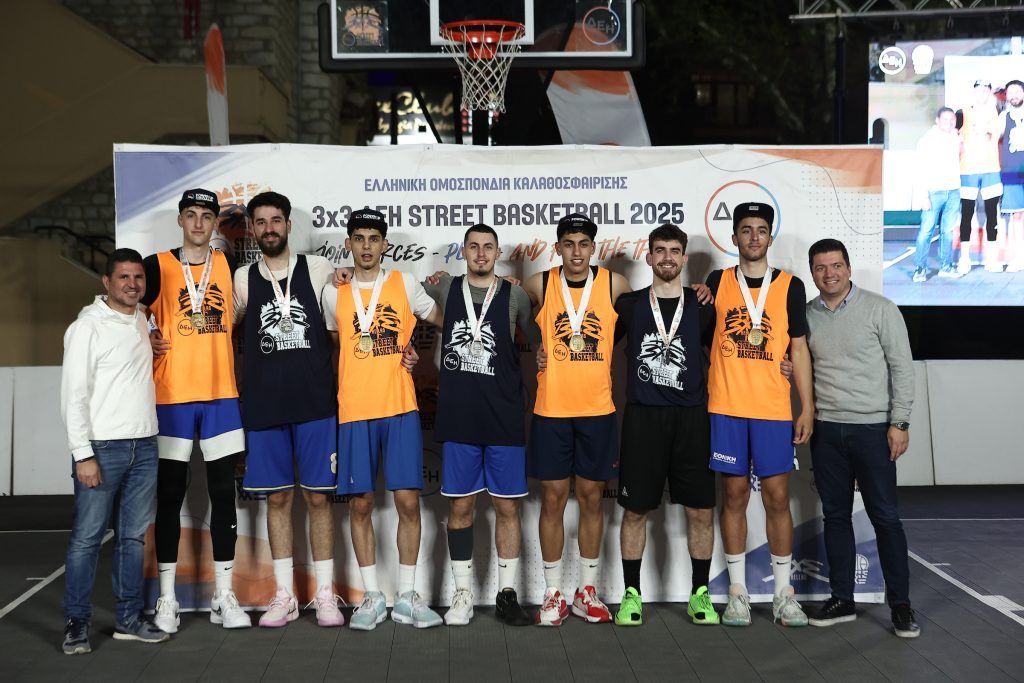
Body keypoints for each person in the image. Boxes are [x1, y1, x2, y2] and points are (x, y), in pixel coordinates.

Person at [321, 208, 446, 630]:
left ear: (385, 244)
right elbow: (337, 341)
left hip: (400, 407)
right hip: (354, 410)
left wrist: (421, 354)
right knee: (361, 504)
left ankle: (407, 595)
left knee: (408, 501)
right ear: (348, 244)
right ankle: (372, 596)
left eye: (374, 238)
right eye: (359, 238)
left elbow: (444, 319)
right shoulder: (332, 292)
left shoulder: (404, 283)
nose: (367, 246)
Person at [232, 192, 342, 628]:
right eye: (260, 222)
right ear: (252, 229)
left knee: (318, 499)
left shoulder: (318, 269)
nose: (269, 229)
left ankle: (325, 595)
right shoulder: (242, 278)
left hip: (315, 403)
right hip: (265, 406)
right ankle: (284, 595)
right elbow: (219, 330)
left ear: (289, 225)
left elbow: (347, 324)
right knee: (277, 499)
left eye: (275, 220)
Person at [143, 189, 251, 632]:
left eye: (207, 216)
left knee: (224, 494)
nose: (199, 223)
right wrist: (145, 335)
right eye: (191, 215)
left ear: (214, 223)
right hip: (171, 396)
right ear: (180, 220)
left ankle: (222, 596)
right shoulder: (155, 266)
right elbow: (124, 308)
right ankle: (167, 598)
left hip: (221, 394)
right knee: (170, 495)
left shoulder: (229, 266)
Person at [422, 224, 539, 627]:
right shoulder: (445, 287)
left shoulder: (514, 295)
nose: (481, 254)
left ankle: (507, 595)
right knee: (460, 506)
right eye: (474, 247)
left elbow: (539, 336)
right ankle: (463, 594)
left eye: (488, 247)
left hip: (503, 416)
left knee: (507, 507)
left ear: (498, 253)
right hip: (459, 418)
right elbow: (396, 297)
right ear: (464, 251)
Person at [804, 239, 920, 639]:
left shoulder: (880, 309)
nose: (829, 274)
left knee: (885, 518)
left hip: (873, 430)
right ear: (813, 273)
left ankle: (900, 605)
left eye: (836, 265)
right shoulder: (808, 316)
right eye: (821, 268)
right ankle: (842, 598)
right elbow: (803, 365)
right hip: (826, 430)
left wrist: (900, 422)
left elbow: (902, 368)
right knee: (835, 517)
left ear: (849, 268)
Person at [705, 202, 814, 628]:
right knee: (733, 497)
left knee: (777, 499)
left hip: (772, 409)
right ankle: (737, 593)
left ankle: (784, 594)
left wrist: (807, 406)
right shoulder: (716, 282)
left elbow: (798, 349)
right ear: (734, 237)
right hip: (727, 408)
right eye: (746, 230)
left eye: (761, 230)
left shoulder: (790, 286)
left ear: (771, 237)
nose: (754, 237)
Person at [522, 213, 631, 626]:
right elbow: (505, 307)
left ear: (593, 248)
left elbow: (645, 313)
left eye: (584, 244)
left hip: (597, 410)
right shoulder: (540, 283)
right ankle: (553, 593)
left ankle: (587, 590)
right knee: (552, 499)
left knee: (591, 499)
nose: (577, 252)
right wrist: (535, 343)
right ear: (558, 248)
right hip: (552, 410)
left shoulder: (615, 284)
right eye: (568, 244)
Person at [610, 224, 720, 627]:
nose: (667, 258)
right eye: (660, 250)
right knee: (635, 511)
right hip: (643, 418)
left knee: (701, 511)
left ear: (684, 258)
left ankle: (700, 594)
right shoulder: (629, 305)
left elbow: (728, 355)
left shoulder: (705, 306)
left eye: (675, 251)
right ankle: (631, 595)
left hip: (692, 419)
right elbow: (595, 348)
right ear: (649, 257)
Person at [60, 248, 169, 654]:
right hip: (102, 449)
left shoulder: (141, 319)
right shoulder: (86, 328)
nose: (132, 284)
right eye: (123, 277)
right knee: (87, 540)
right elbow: (73, 396)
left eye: (138, 277)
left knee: (132, 539)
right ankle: (77, 623)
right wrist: (82, 454)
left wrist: (152, 341)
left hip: (145, 445)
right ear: (106, 282)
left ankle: (128, 618)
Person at [957, 80, 1004, 273]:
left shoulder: (997, 112)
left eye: (986, 90)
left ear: (990, 92)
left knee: (992, 214)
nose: (982, 93)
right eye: (979, 90)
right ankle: (964, 258)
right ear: (974, 91)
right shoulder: (962, 112)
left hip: (991, 169)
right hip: (967, 170)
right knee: (967, 213)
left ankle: (992, 259)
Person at [913, 107, 964, 282]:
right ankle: (920, 269)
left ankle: (946, 266)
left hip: (953, 191)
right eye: (945, 120)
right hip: (933, 192)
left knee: (947, 232)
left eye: (952, 120)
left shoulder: (954, 137)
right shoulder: (927, 140)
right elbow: (919, 168)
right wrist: (923, 196)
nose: (949, 123)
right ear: (937, 120)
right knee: (926, 231)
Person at [999, 80, 1024, 273]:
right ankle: (1019, 257)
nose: (1014, 95)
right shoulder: (1003, 117)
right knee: (1017, 215)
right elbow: (991, 136)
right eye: (1010, 92)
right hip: (1012, 172)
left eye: (1018, 91)